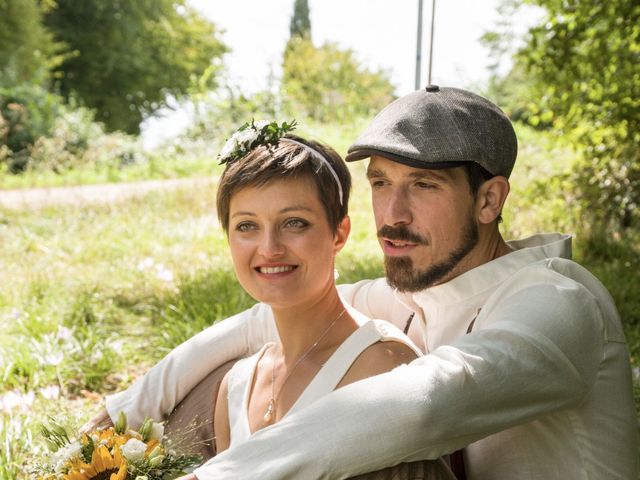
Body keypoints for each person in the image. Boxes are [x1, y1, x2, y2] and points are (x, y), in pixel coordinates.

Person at [91, 87, 638, 479]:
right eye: (380, 182)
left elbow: (424, 407)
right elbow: (264, 317)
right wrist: (122, 413)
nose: (392, 214)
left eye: (423, 185)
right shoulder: (419, 293)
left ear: (489, 199)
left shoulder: (558, 301)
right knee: (234, 374)